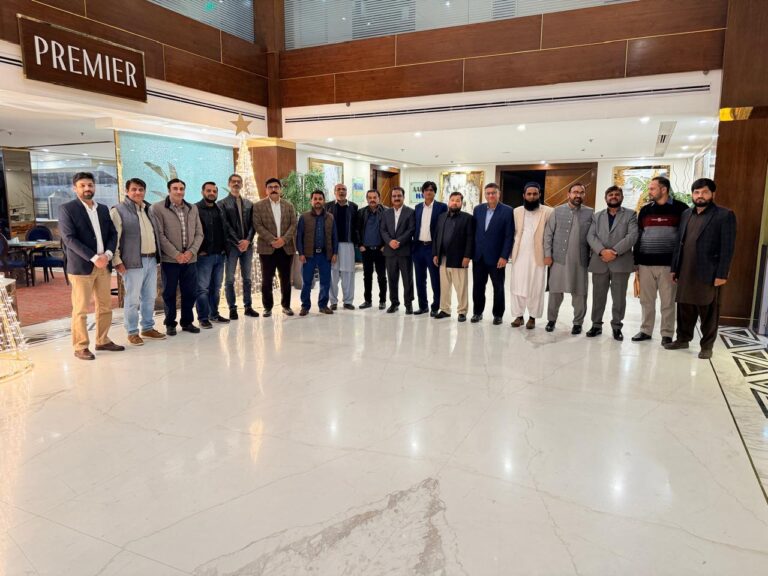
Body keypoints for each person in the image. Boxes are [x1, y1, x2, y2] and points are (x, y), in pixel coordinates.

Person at [665, 178, 736, 359]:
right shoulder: (686, 214)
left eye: (704, 192)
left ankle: (707, 346)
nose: (700, 196)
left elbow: (727, 247)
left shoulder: (724, 215)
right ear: (692, 194)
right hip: (685, 270)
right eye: (696, 192)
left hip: (709, 272)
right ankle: (683, 339)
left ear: (713, 194)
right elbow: (679, 243)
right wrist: (674, 268)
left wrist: (722, 274)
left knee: (708, 311)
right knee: (684, 308)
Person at [59, 172, 123, 360]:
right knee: (81, 309)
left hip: (104, 265)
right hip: (82, 267)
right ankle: (80, 346)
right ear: (75, 188)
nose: (87, 188)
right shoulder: (67, 209)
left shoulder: (102, 209)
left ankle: (102, 340)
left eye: (90, 185)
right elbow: (69, 239)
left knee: (105, 306)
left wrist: (108, 255)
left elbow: (113, 234)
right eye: (83, 185)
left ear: (94, 187)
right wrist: (94, 257)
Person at [631, 176, 687, 345]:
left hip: (668, 265)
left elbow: (684, 238)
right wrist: (636, 262)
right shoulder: (645, 210)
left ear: (664, 189)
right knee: (646, 300)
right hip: (645, 264)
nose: (649, 191)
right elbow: (639, 236)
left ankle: (667, 333)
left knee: (668, 301)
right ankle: (645, 330)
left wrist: (678, 265)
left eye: (652, 188)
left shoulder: (681, 209)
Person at [110, 177, 166, 346]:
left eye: (141, 189)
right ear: (127, 191)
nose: (137, 192)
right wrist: (116, 260)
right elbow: (114, 238)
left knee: (149, 297)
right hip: (132, 262)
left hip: (151, 259)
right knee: (132, 299)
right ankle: (132, 331)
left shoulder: (148, 209)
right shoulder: (118, 211)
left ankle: (147, 328)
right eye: (134, 189)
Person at [150, 178, 204, 335]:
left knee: (190, 292)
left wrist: (191, 252)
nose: (179, 191)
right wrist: (176, 254)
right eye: (175, 188)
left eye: (181, 188)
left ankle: (187, 322)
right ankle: (170, 323)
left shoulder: (192, 208)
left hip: (190, 259)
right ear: (169, 190)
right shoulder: (157, 208)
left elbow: (199, 234)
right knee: (169, 293)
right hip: (170, 260)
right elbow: (159, 235)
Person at [586, 186, 639, 341]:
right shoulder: (597, 216)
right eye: (610, 194)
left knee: (619, 298)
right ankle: (596, 325)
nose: (614, 196)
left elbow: (632, 236)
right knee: (598, 297)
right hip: (600, 261)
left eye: (617, 194)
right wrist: (602, 251)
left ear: (622, 197)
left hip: (621, 262)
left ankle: (617, 327)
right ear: (606, 198)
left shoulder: (631, 215)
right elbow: (591, 236)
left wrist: (614, 252)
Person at [544, 183, 593, 334]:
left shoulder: (590, 213)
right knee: (555, 292)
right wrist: (547, 254)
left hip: (580, 261)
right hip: (558, 259)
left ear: (584, 195)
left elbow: (593, 236)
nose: (578, 195)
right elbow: (548, 234)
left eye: (581, 192)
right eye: (575, 192)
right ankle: (551, 320)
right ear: (568, 194)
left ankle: (578, 323)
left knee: (580, 293)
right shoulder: (557, 211)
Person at [509, 182, 553, 329]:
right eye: (529, 194)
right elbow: (513, 232)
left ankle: (532, 317)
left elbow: (550, 235)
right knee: (517, 285)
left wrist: (549, 254)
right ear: (524, 195)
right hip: (519, 254)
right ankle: (519, 316)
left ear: (539, 195)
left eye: (535, 194)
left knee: (536, 286)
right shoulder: (516, 211)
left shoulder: (548, 211)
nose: (532, 196)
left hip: (538, 255)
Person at [252, 177, 297, 317]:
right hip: (267, 248)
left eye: (276, 187)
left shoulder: (289, 205)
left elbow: (293, 224)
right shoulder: (258, 206)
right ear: (266, 190)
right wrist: (272, 240)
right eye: (270, 187)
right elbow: (257, 225)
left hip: (286, 248)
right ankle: (267, 307)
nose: (273, 189)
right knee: (267, 280)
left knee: (285, 279)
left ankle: (286, 306)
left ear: (280, 189)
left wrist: (283, 240)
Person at [471, 183, 514, 325]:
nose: (490, 195)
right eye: (488, 193)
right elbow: (474, 232)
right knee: (478, 286)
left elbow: (509, 236)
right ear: (485, 194)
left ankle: (498, 315)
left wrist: (504, 256)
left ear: (498, 194)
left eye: (493, 193)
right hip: (479, 257)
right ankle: (477, 312)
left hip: (497, 258)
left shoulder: (508, 211)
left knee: (498, 287)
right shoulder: (478, 209)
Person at [218, 173, 258, 320]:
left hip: (247, 247)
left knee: (247, 278)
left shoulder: (249, 203)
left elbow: (253, 225)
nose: (236, 184)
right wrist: (238, 242)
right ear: (229, 184)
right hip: (231, 247)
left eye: (238, 182)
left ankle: (248, 307)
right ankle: (232, 308)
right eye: (233, 181)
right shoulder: (222, 204)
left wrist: (247, 241)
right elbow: (225, 225)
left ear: (241, 184)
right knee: (229, 279)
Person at [433, 191, 474, 322]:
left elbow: (470, 238)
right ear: (448, 202)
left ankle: (462, 311)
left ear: (462, 203)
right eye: (452, 200)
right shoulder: (441, 217)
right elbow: (436, 236)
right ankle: (445, 309)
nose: (454, 203)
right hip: (443, 258)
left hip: (459, 258)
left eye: (458, 201)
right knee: (444, 286)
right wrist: (435, 254)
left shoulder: (467, 218)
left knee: (461, 287)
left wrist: (467, 256)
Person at [296, 190, 338, 315]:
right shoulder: (304, 217)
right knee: (307, 282)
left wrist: (335, 253)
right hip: (309, 255)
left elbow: (334, 237)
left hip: (325, 255)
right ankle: (305, 306)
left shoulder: (330, 217)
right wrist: (301, 253)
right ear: (311, 201)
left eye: (320, 199)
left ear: (324, 201)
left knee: (325, 281)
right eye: (315, 199)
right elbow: (299, 236)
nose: (318, 201)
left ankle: (323, 305)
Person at [195, 181, 229, 329]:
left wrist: (225, 250)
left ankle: (214, 314)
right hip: (204, 256)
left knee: (216, 288)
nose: (211, 193)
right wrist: (199, 250)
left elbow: (225, 230)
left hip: (220, 255)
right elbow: (193, 231)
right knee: (202, 289)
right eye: (208, 191)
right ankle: (203, 318)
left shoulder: (219, 209)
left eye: (214, 191)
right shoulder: (195, 209)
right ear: (202, 192)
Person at [412, 181, 447, 316]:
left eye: (431, 190)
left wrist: (439, 250)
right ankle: (423, 306)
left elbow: (443, 229)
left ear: (434, 192)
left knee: (435, 280)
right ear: (422, 193)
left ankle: (435, 306)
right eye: (426, 190)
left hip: (432, 248)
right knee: (420, 280)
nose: (428, 192)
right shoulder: (417, 207)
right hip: (418, 247)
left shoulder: (441, 207)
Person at [380, 186, 415, 314]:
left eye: (399, 196)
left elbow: (411, 229)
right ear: (391, 198)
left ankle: (408, 304)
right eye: (394, 196)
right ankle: (394, 303)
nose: (396, 198)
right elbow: (382, 230)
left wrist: (398, 241)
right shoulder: (386, 213)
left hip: (404, 251)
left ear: (403, 197)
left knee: (407, 279)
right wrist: (390, 241)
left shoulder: (410, 212)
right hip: (390, 251)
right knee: (392, 279)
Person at [325, 183, 359, 310]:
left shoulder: (354, 207)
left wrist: (358, 243)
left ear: (347, 192)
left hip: (348, 244)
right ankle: (333, 301)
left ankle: (348, 301)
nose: (341, 191)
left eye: (343, 189)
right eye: (338, 189)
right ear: (334, 192)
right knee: (332, 274)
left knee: (348, 274)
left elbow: (356, 227)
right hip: (331, 245)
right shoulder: (327, 206)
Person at [356, 189, 388, 310]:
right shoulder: (361, 212)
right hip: (366, 250)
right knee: (367, 276)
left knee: (382, 277)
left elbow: (390, 229)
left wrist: (385, 245)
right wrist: (360, 244)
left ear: (379, 198)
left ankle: (382, 301)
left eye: (375, 197)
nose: (372, 200)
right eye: (370, 198)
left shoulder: (386, 211)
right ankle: (367, 300)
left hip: (381, 250)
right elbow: (356, 229)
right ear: (367, 199)